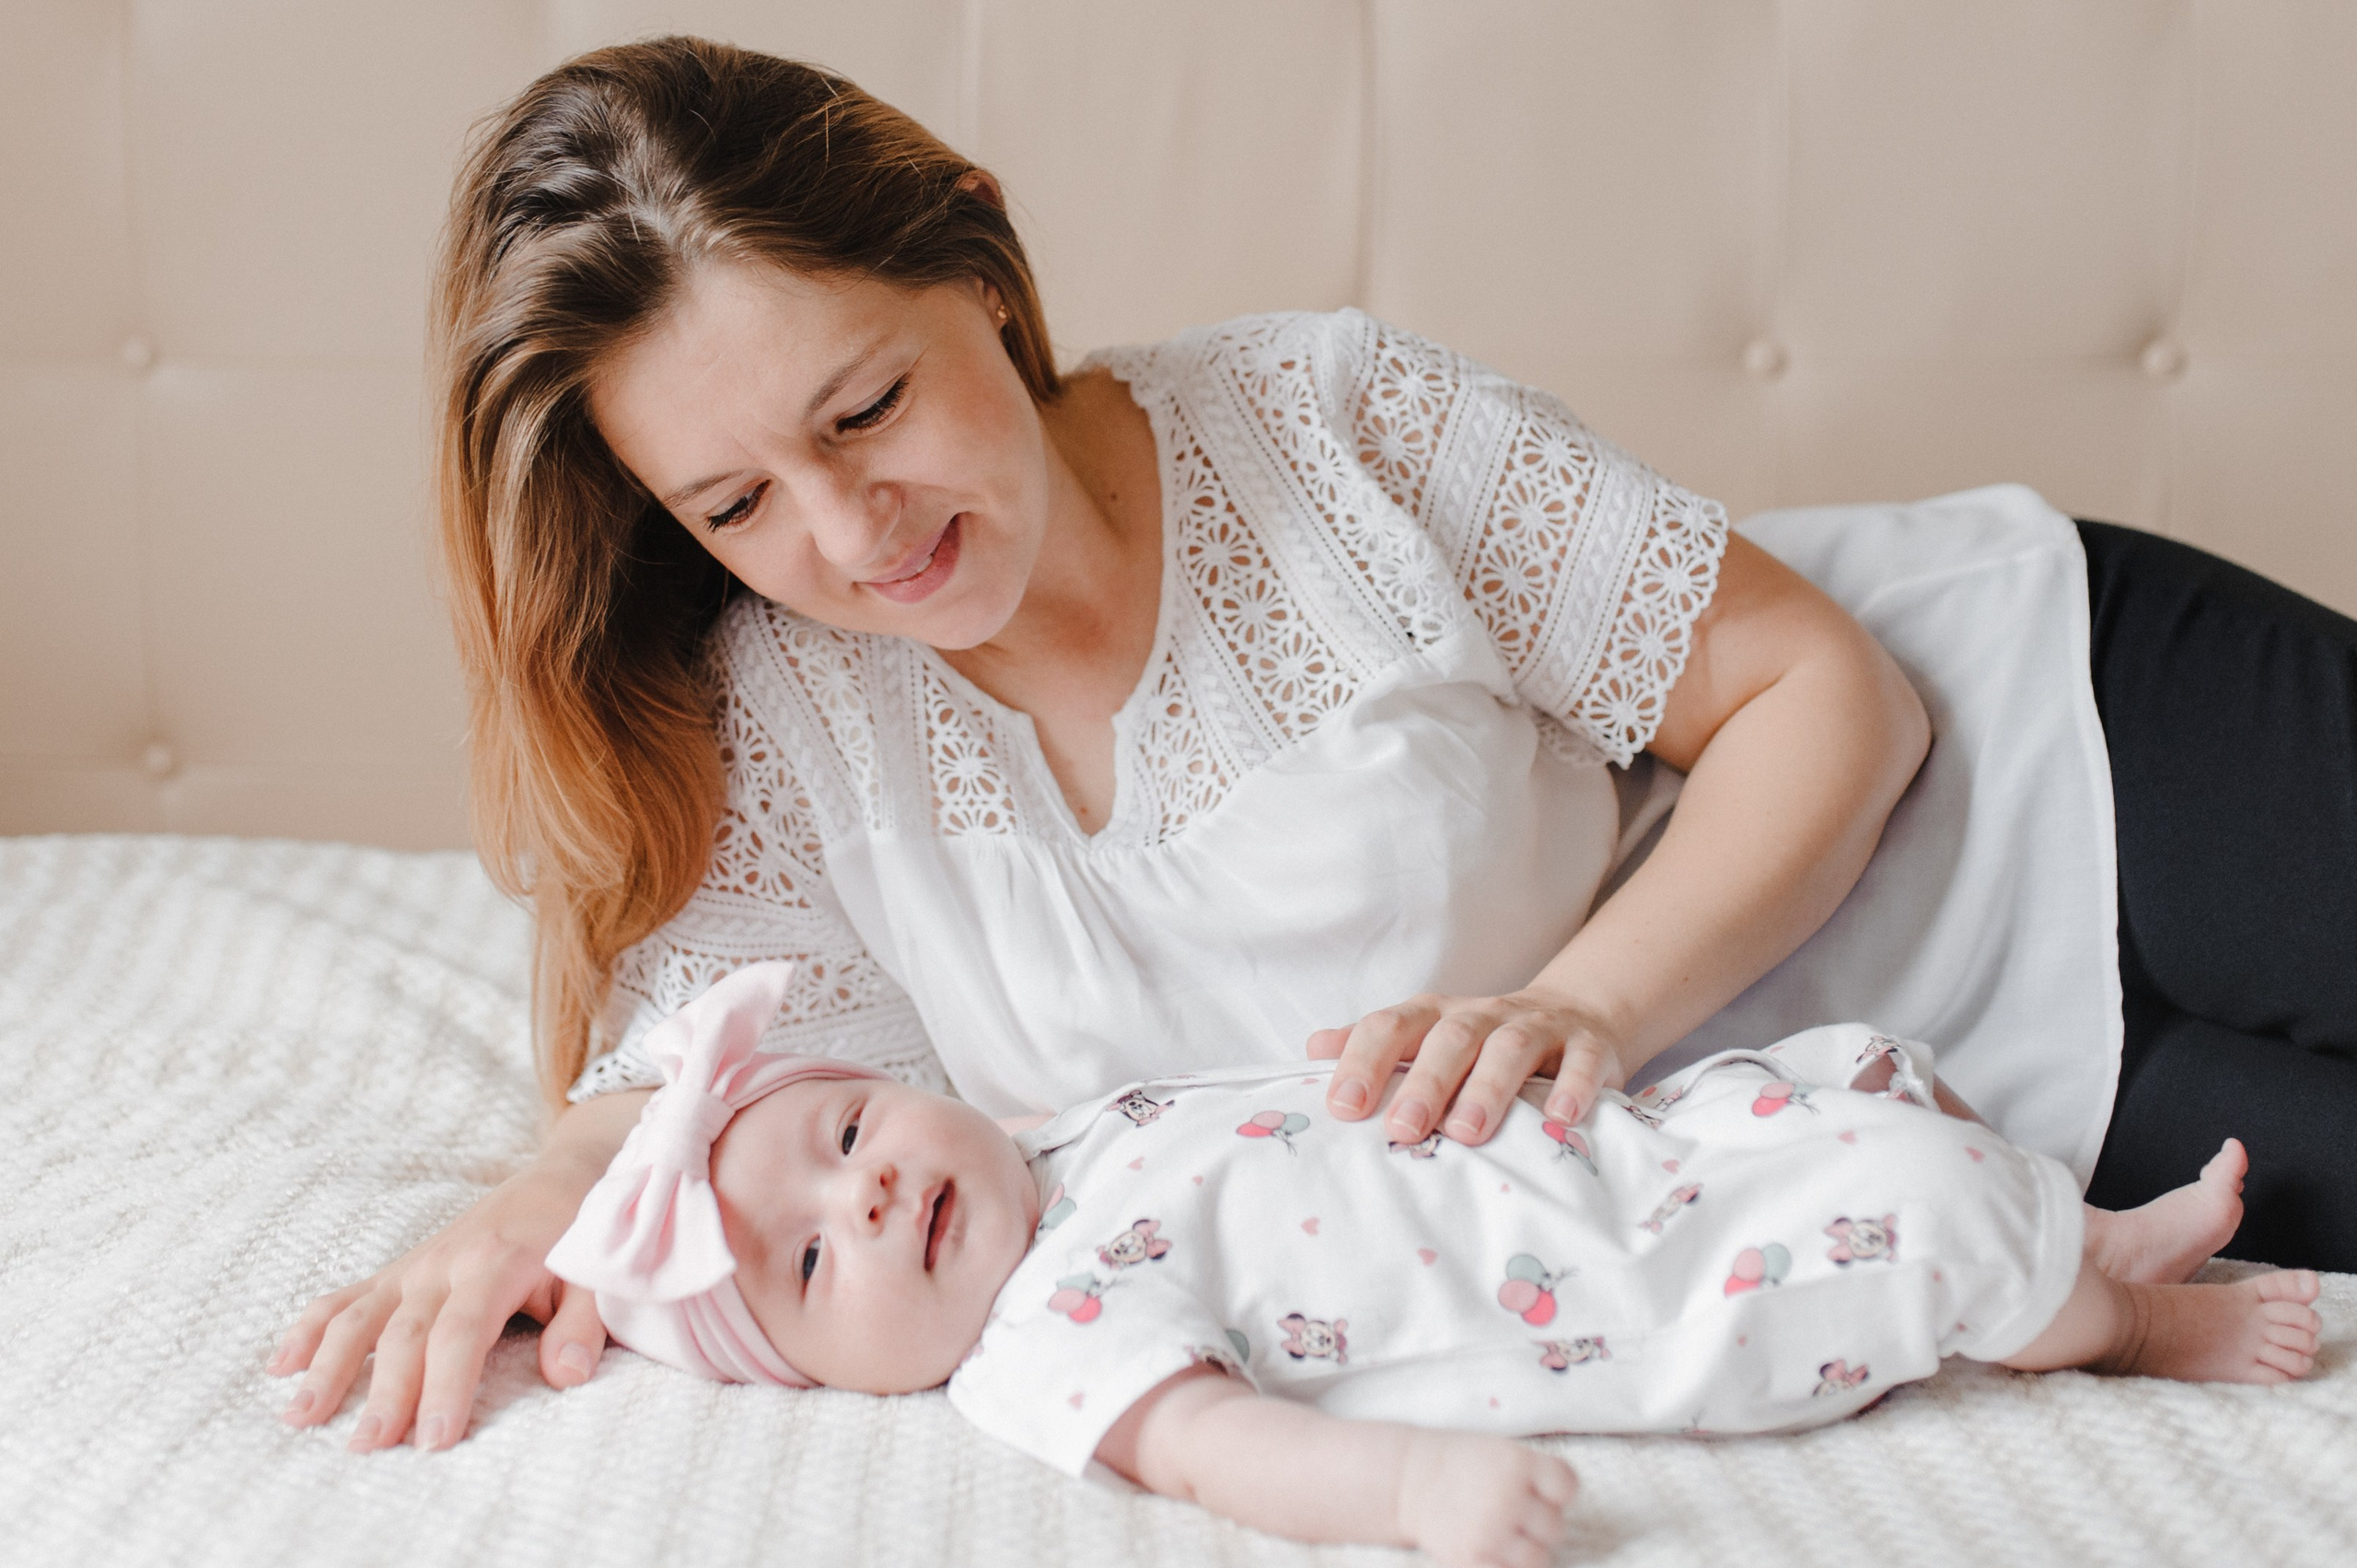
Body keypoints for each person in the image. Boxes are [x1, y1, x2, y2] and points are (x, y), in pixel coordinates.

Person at [270, 36, 2357, 1454]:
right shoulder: (785, 713)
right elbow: (700, 1066)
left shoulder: (1321, 422)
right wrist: (523, 1205)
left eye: (866, 408)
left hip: (2057, 733)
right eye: (736, 504)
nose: (849, 534)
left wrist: (1576, 1011)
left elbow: (1831, 697)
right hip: (1889, 1106)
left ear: (975, 267)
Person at [537, 962, 2317, 1568]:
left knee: (1870, 1073)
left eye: (848, 1132)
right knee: (1922, 1209)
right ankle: (2130, 1323)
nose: (864, 1197)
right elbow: (1218, 1449)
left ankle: (2084, 1235)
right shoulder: (1044, 1338)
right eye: (807, 1264)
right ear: (826, 1381)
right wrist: (1413, 1494)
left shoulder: (1057, 1140)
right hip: (1651, 1285)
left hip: (1631, 1153)